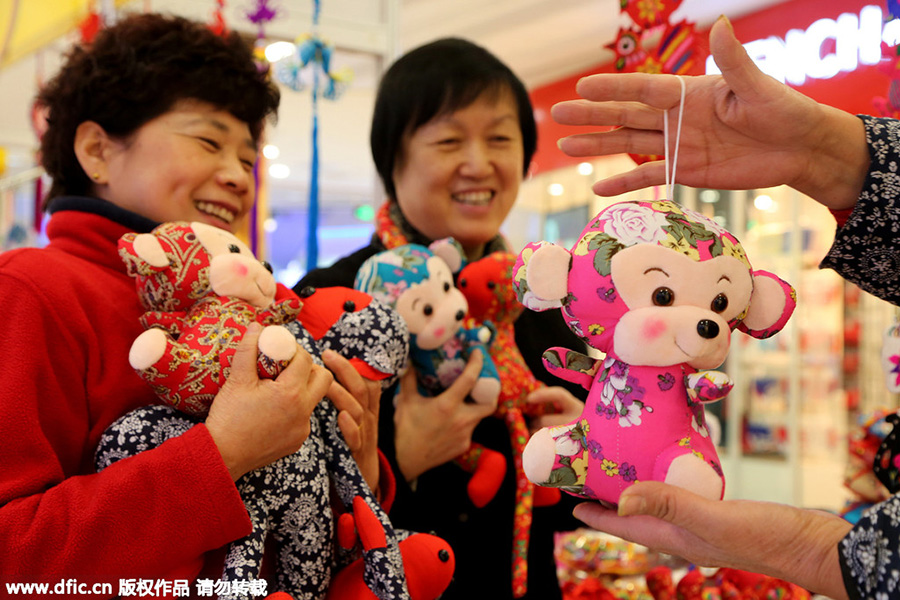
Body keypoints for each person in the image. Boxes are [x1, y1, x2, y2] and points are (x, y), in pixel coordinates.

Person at [0, 13, 385, 597]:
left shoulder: (266, 306)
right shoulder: (33, 289)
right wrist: (220, 454)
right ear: (97, 150)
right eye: (209, 141)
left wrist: (362, 467)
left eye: (249, 159)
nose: (237, 176)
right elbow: (12, 558)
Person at [549, 13, 900, 600]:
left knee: (682, 457)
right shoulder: (595, 319)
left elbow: (706, 387)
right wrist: (827, 154)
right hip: (593, 440)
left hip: (675, 448)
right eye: (664, 294)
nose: (704, 320)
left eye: (719, 302)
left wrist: (810, 551)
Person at [296, 37, 588, 599]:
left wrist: (585, 458)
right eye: (449, 140)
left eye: (500, 138)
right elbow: (282, 515)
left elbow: (573, 518)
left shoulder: (551, 303)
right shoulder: (330, 300)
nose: (478, 163)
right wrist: (397, 461)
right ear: (393, 161)